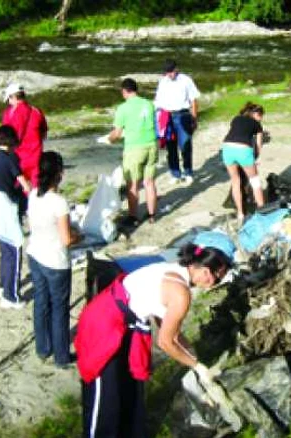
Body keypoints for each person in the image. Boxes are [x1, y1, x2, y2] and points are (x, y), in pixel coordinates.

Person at [75, 237, 234, 438]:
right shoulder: (181, 293)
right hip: (105, 324)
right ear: (197, 265)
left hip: (124, 322)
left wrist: (192, 355)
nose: (210, 281)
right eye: (209, 273)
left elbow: (170, 328)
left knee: (128, 386)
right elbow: (166, 342)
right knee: (106, 396)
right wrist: (196, 367)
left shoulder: (173, 269)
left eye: (217, 279)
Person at [27, 151, 79, 367]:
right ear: (60, 173)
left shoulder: (32, 195)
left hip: (35, 254)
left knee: (41, 301)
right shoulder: (59, 202)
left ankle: (43, 348)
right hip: (55, 261)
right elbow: (67, 239)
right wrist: (79, 235)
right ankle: (61, 357)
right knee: (59, 308)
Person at [0, 125, 31, 309]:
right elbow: (24, 184)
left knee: (4, 249)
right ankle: (11, 296)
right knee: (14, 248)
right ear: (13, 142)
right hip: (7, 205)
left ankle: (2, 285)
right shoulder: (11, 160)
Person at [101, 78, 159, 226]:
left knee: (132, 183)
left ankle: (133, 216)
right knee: (149, 181)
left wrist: (109, 139)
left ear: (124, 91)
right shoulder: (149, 104)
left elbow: (117, 133)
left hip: (135, 147)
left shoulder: (123, 108)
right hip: (151, 143)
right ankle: (152, 214)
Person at [154, 59, 200, 185]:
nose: (170, 75)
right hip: (167, 115)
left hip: (182, 114)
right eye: (168, 72)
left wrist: (194, 118)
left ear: (176, 69)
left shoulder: (186, 80)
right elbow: (158, 101)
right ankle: (175, 173)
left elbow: (194, 100)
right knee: (170, 146)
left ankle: (188, 172)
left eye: (172, 72)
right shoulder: (163, 82)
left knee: (185, 145)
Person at [221, 102, 266, 224]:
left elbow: (235, 132)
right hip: (243, 150)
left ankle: (240, 214)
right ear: (256, 114)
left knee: (235, 182)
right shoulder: (257, 125)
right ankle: (262, 212)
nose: (261, 118)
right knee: (255, 182)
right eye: (261, 115)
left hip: (227, 148)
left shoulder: (236, 118)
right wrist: (255, 159)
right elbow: (258, 145)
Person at [1, 83, 48, 189]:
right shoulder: (36, 111)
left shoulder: (9, 114)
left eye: (9, 98)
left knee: (17, 189)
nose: (8, 102)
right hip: (36, 157)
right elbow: (44, 133)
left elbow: (4, 138)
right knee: (36, 189)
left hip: (17, 158)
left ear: (13, 97)